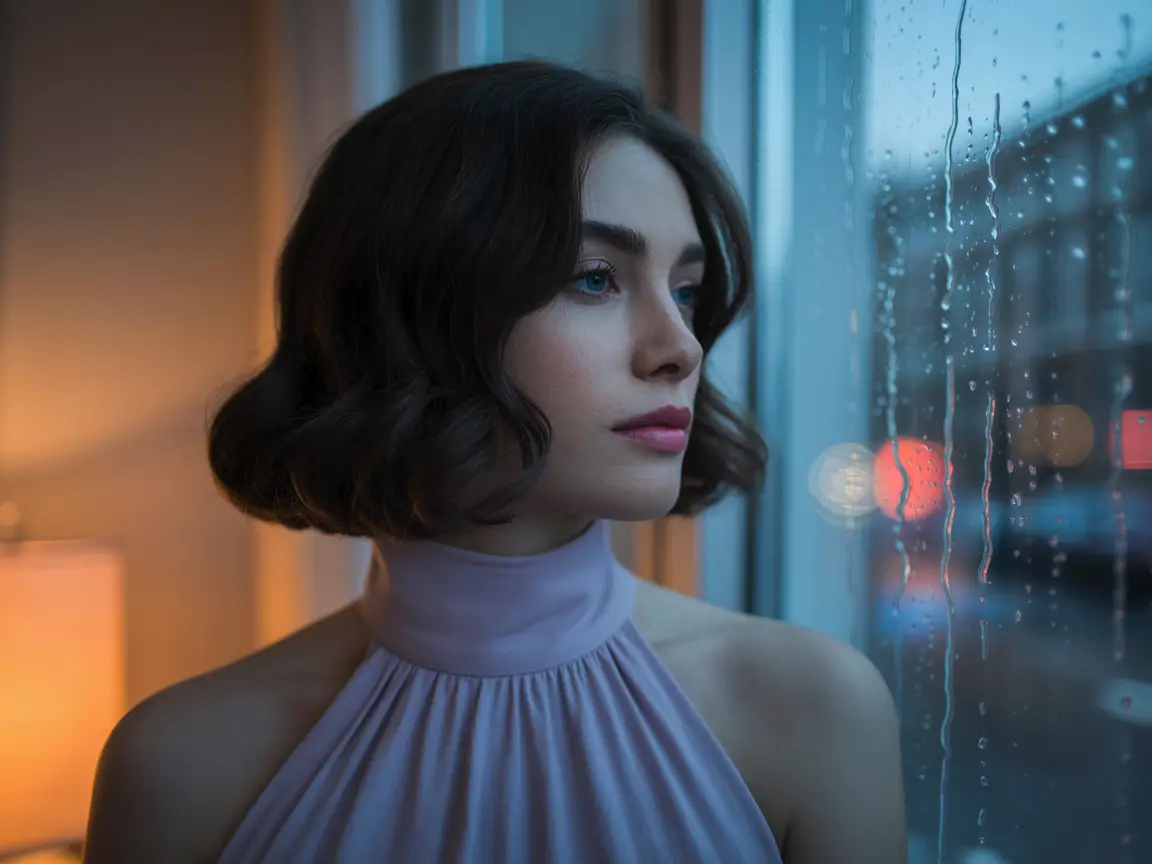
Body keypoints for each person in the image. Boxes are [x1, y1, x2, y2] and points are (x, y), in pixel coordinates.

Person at [82, 60, 905, 863]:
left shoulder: (817, 712)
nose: (681, 347)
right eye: (594, 279)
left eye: (686, 290)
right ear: (410, 316)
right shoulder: (177, 767)